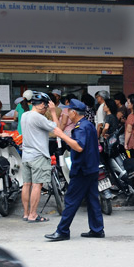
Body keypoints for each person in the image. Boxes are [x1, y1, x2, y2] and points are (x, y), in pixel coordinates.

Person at [45, 99, 104, 241]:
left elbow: (78, 146)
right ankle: (97, 229)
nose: (67, 113)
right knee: (92, 200)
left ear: (74, 112)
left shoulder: (80, 128)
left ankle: (63, 231)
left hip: (82, 170)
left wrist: (62, 135)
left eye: (68, 111)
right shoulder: (88, 125)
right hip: (91, 168)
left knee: (71, 200)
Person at [20, 92, 60, 223]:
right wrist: (54, 112)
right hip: (38, 156)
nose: (46, 110)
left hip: (26, 156)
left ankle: (26, 214)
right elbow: (57, 128)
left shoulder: (25, 115)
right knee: (37, 186)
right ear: (42, 104)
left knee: (26, 185)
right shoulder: (38, 117)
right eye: (46, 107)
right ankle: (33, 215)